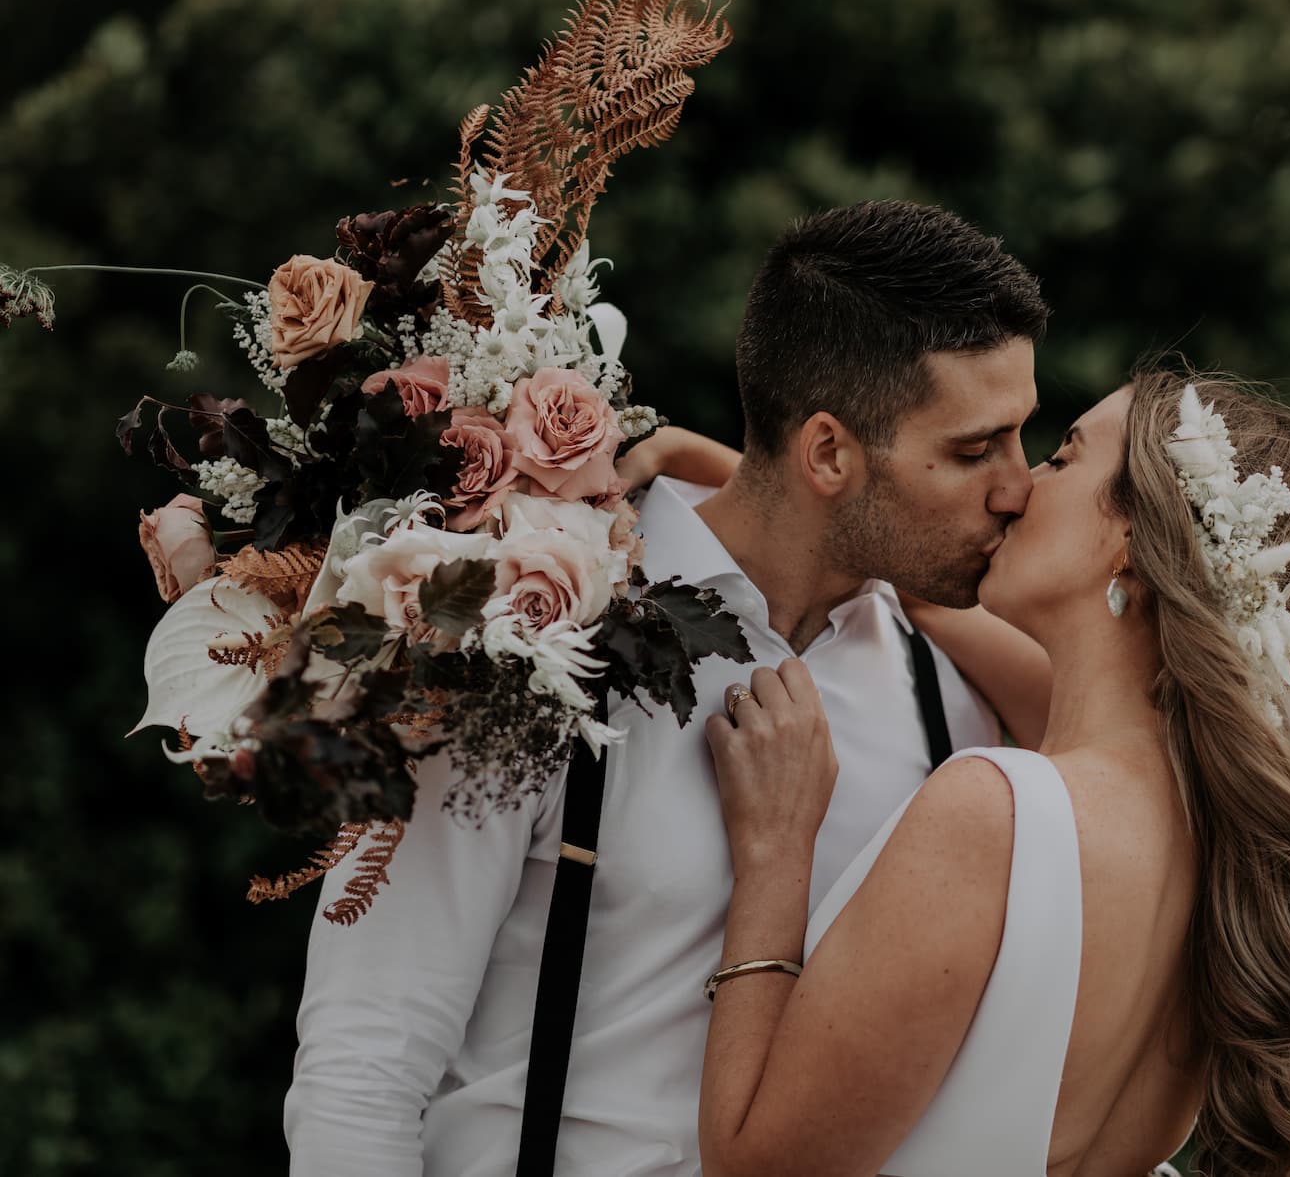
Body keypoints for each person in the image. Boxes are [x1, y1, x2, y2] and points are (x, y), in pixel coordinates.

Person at [283, 198, 1051, 1176]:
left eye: (1022, 438)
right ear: (826, 452)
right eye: (976, 449)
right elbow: (363, 1061)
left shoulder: (955, 699)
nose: (1018, 488)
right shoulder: (529, 628)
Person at [684, 368, 1290, 1177]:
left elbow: (755, 1165)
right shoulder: (1221, 855)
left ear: (1128, 539)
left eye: (1064, 457)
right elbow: (963, 619)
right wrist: (768, 497)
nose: (1016, 486)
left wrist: (775, 852)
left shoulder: (990, 815)